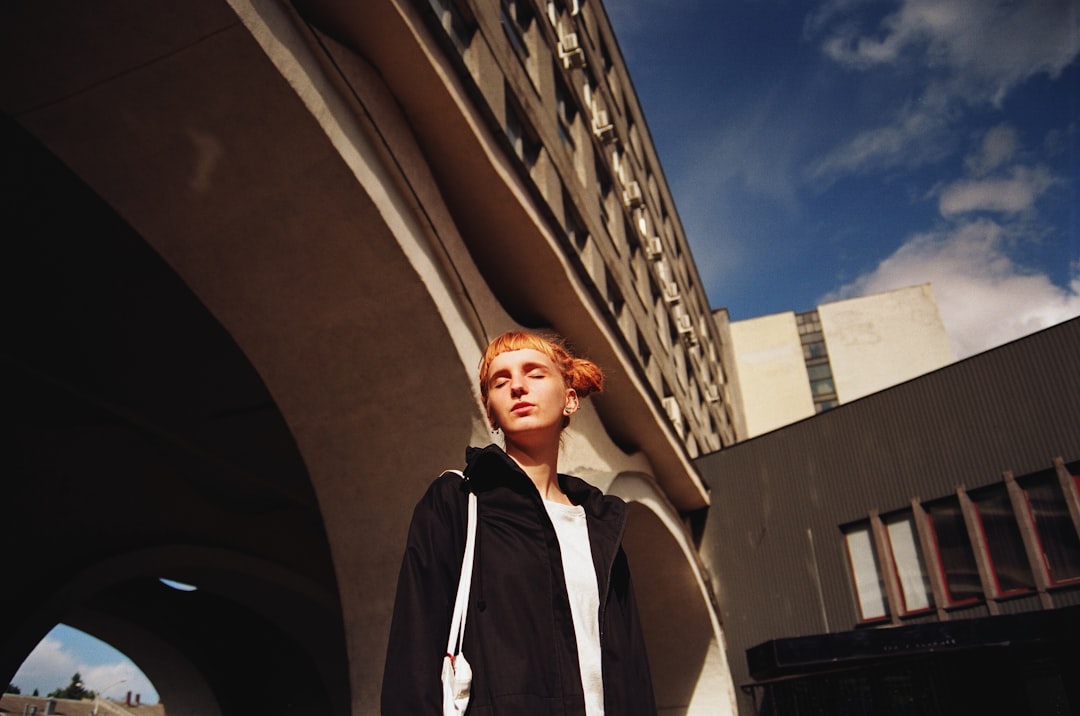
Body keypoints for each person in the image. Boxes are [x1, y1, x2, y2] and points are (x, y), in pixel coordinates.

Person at [382, 330, 656, 715]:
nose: (518, 387)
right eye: (501, 380)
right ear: (490, 409)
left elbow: (632, 674)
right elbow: (412, 656)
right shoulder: (457, 504)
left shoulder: (601, 526)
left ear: (570, 399)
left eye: (535, 373)